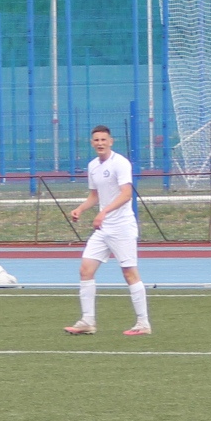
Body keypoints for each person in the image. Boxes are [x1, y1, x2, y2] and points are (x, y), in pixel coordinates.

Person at [64, 125, 150, 338]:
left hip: (122, 226)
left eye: (104, 139)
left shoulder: (120, 163)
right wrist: (81, 209)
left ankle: (143, 323)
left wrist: (104, 213)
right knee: (85, 269)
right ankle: (88, 321)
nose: (100, 143)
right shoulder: (93, 166)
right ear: (92, 143)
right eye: (96, 140)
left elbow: (126, 194)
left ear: (111, 141)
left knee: (129, 273)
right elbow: (95, 195)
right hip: (104, 228)